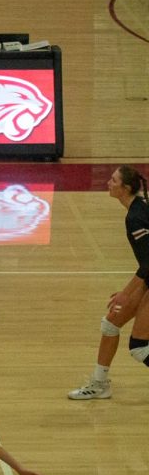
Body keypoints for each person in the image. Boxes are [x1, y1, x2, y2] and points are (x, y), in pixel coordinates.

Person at [68, 165, 149, 400]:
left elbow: (147, 264)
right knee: (110, 324)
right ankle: (100, 384)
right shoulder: (138, 208)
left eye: (113, 181)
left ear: (125, 188)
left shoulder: (136, 217)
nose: (108, 183)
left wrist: (126, 293)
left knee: (140, 347)